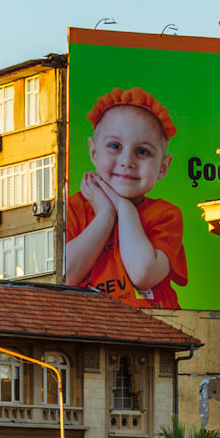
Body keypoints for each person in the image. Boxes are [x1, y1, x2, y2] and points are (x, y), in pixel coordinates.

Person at [63, 88, 186, 310]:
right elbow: (64, 276)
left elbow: (143, 273)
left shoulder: (166, 215)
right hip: (86, 323)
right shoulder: (74, 209)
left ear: (163, 166)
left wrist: (124, 207)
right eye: (115, 146)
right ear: (93, 152)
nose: (127, 161)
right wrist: (105, 215)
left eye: (143, 151)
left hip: (152, 326)